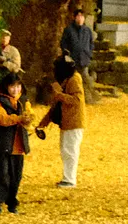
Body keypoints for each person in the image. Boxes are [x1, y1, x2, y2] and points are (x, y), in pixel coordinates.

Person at [0, 73, 43, 214]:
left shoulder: (23, 100)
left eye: (18, 86)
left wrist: (29, 118)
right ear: (6, 87)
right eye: (12, 86)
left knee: (16, 175)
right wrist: (18, 118)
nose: (15, 89)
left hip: (18, 144)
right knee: (2, 173)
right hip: (2, 143)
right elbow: (0, 118)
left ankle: (12, 203)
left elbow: (29, 113)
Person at [39, 56, 88, 188]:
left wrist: (59, 95)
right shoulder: (66, 80)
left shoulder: (74, 79)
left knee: (70, 150)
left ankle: (70, 180)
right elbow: (57, 105)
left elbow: (77, 100)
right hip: (67, 122)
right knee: (65, 150)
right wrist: (44, 122)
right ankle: (67, 177)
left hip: (74, 122)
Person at [61, 8, 96, 77]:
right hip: (73, 61)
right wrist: (67, 55)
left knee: (85, 80)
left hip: (84, 60)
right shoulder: (69, 30)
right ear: (75, 17)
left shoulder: (87, 30)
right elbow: (63, 43)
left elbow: (91, 43)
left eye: (82, 16)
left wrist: (89, 54)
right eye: (78, 16)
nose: (80, 18)